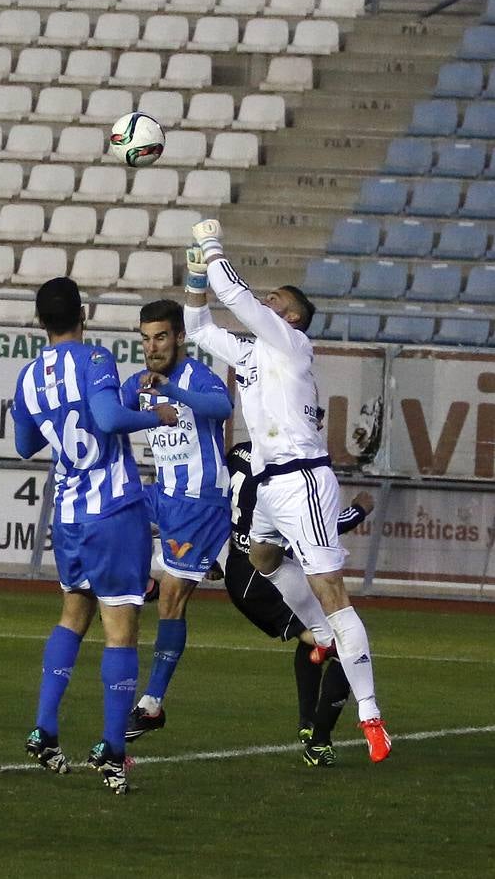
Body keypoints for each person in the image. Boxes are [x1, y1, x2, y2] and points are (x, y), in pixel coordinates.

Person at [183, 221, 391, 763]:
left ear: (292, 317)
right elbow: (198, 326)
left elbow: (233, 293)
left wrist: (212, 244)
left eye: (275, 299)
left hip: (302, 478)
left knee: (330, 589)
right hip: (272, 485)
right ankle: (322, 639)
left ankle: (370, 715)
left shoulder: (292, 343)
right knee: (263, 556)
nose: (265, 301)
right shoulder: (254, 354)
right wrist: (193, 275)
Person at [12, 277, 178, 794]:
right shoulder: (95, 360)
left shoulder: (28, 376)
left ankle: (44, 728)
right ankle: (111, 747)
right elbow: (107, 416)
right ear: (82, 314)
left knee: (72, 616)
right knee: (121, 627)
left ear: (41, 321)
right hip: (112, 510)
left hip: (67, 514)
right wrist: (155, 414)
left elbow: (23, 444)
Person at [120, 299, 233, 741]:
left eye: (161, 336)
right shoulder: (142, 381)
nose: (153, 346)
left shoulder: (196, 377)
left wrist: (172, 392)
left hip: (197, 501)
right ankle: (158, 574)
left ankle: (151, 704)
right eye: (146, 338)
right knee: (111, 512)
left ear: (181, 337)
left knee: (172, 598)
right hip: (162, 494)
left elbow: (222, 410)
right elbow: (109, 408)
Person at [225, 438, 374, 767]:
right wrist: (360, 509)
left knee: (315, 636)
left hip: (240, 570)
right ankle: (319, 742)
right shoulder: (285, 466)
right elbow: (315, 527)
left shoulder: (238, 452)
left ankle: (308, 724)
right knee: (345, 648)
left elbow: (218, 503)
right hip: (264, 575)